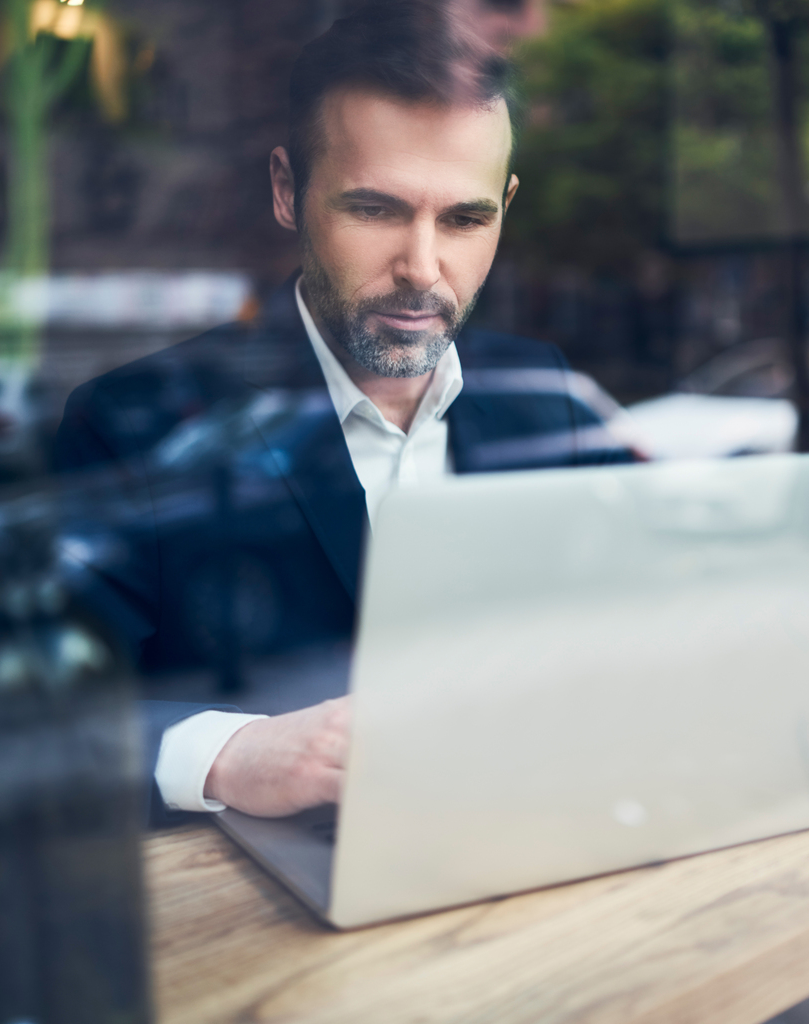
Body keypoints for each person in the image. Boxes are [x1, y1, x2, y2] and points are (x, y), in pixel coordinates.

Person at [53, 2, 633, 825]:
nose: (422, 269)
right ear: (289, 191)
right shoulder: (126, 424)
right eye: (376, 210)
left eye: (466, 218)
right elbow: (30, 724)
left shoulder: (546, 397)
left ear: (505, 204)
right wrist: (222, 757)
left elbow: (629, 639)